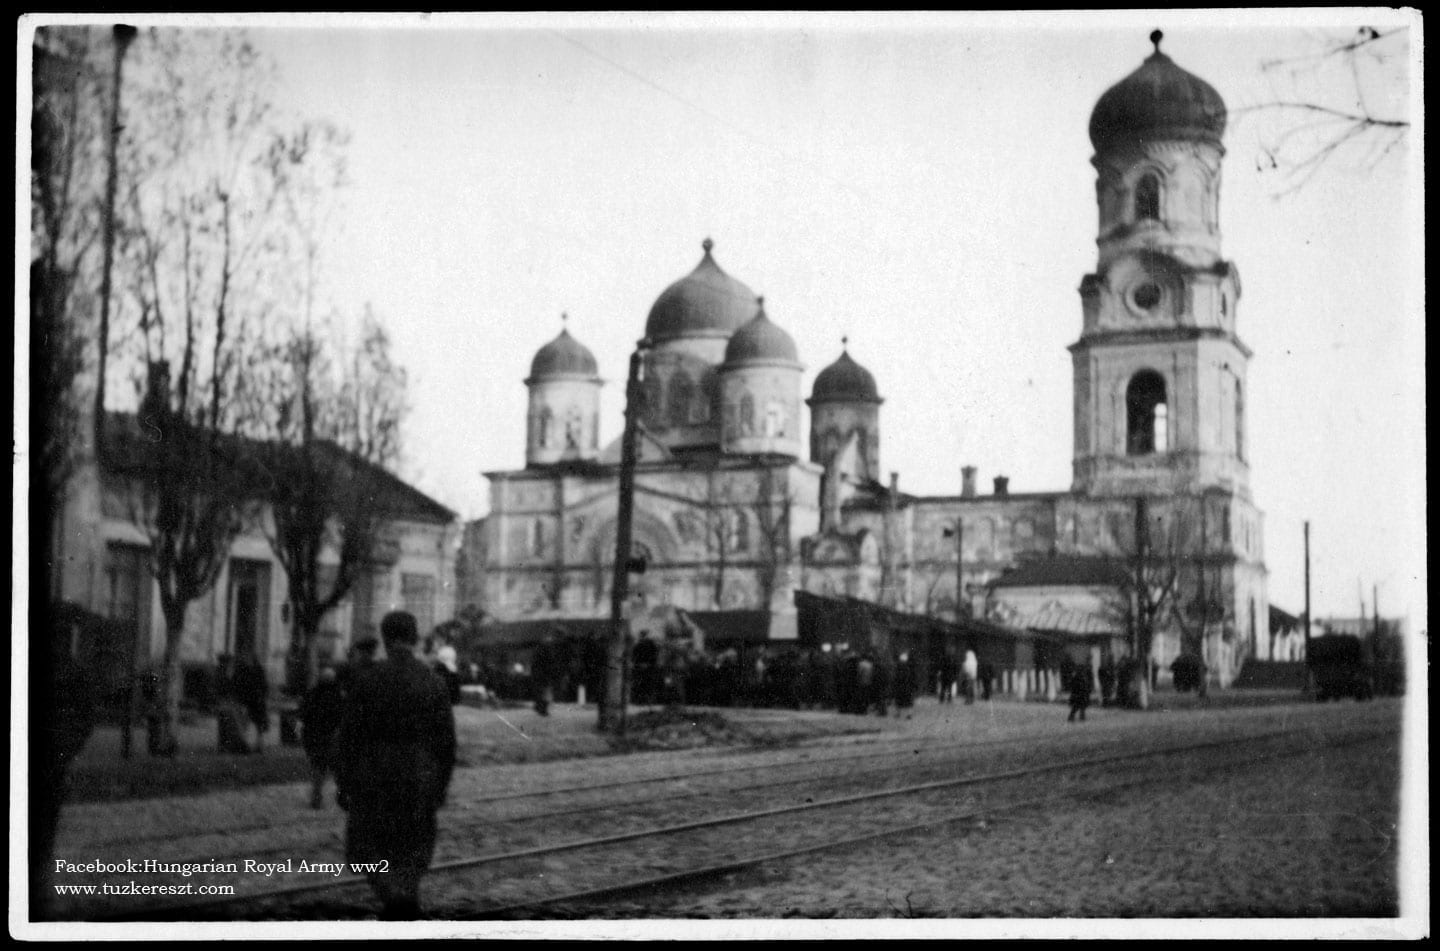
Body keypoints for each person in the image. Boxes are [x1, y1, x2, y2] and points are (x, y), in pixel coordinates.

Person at [335, 611, 457, 919]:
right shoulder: (433, 682)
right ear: (415, 639)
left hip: (373, 777)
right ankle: (403, 901)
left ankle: (395, 901)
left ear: (385, 639)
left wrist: (344, 784)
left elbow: (348, 737)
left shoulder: (366, 680)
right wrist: (440, 786)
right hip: (419, 777)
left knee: (370, 851)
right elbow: (447, 744)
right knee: (412, 853)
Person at [300, 665, 346, 808]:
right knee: (337, 768)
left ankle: (317, 797)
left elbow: (303, 716)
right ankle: (341, 795)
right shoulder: (339, 696)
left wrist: (304, 735)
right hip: (333, 737)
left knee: (318, 768)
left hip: (315, 738)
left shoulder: (312, 694)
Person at [233, 652, 270, 753]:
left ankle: (251, 745)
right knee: (254, 724)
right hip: (253, 700)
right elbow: (264, 686)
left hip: (251, 700)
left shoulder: (243, 670)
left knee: (250, 724)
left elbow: (237, 685)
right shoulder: (257, 670)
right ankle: (254, 745)